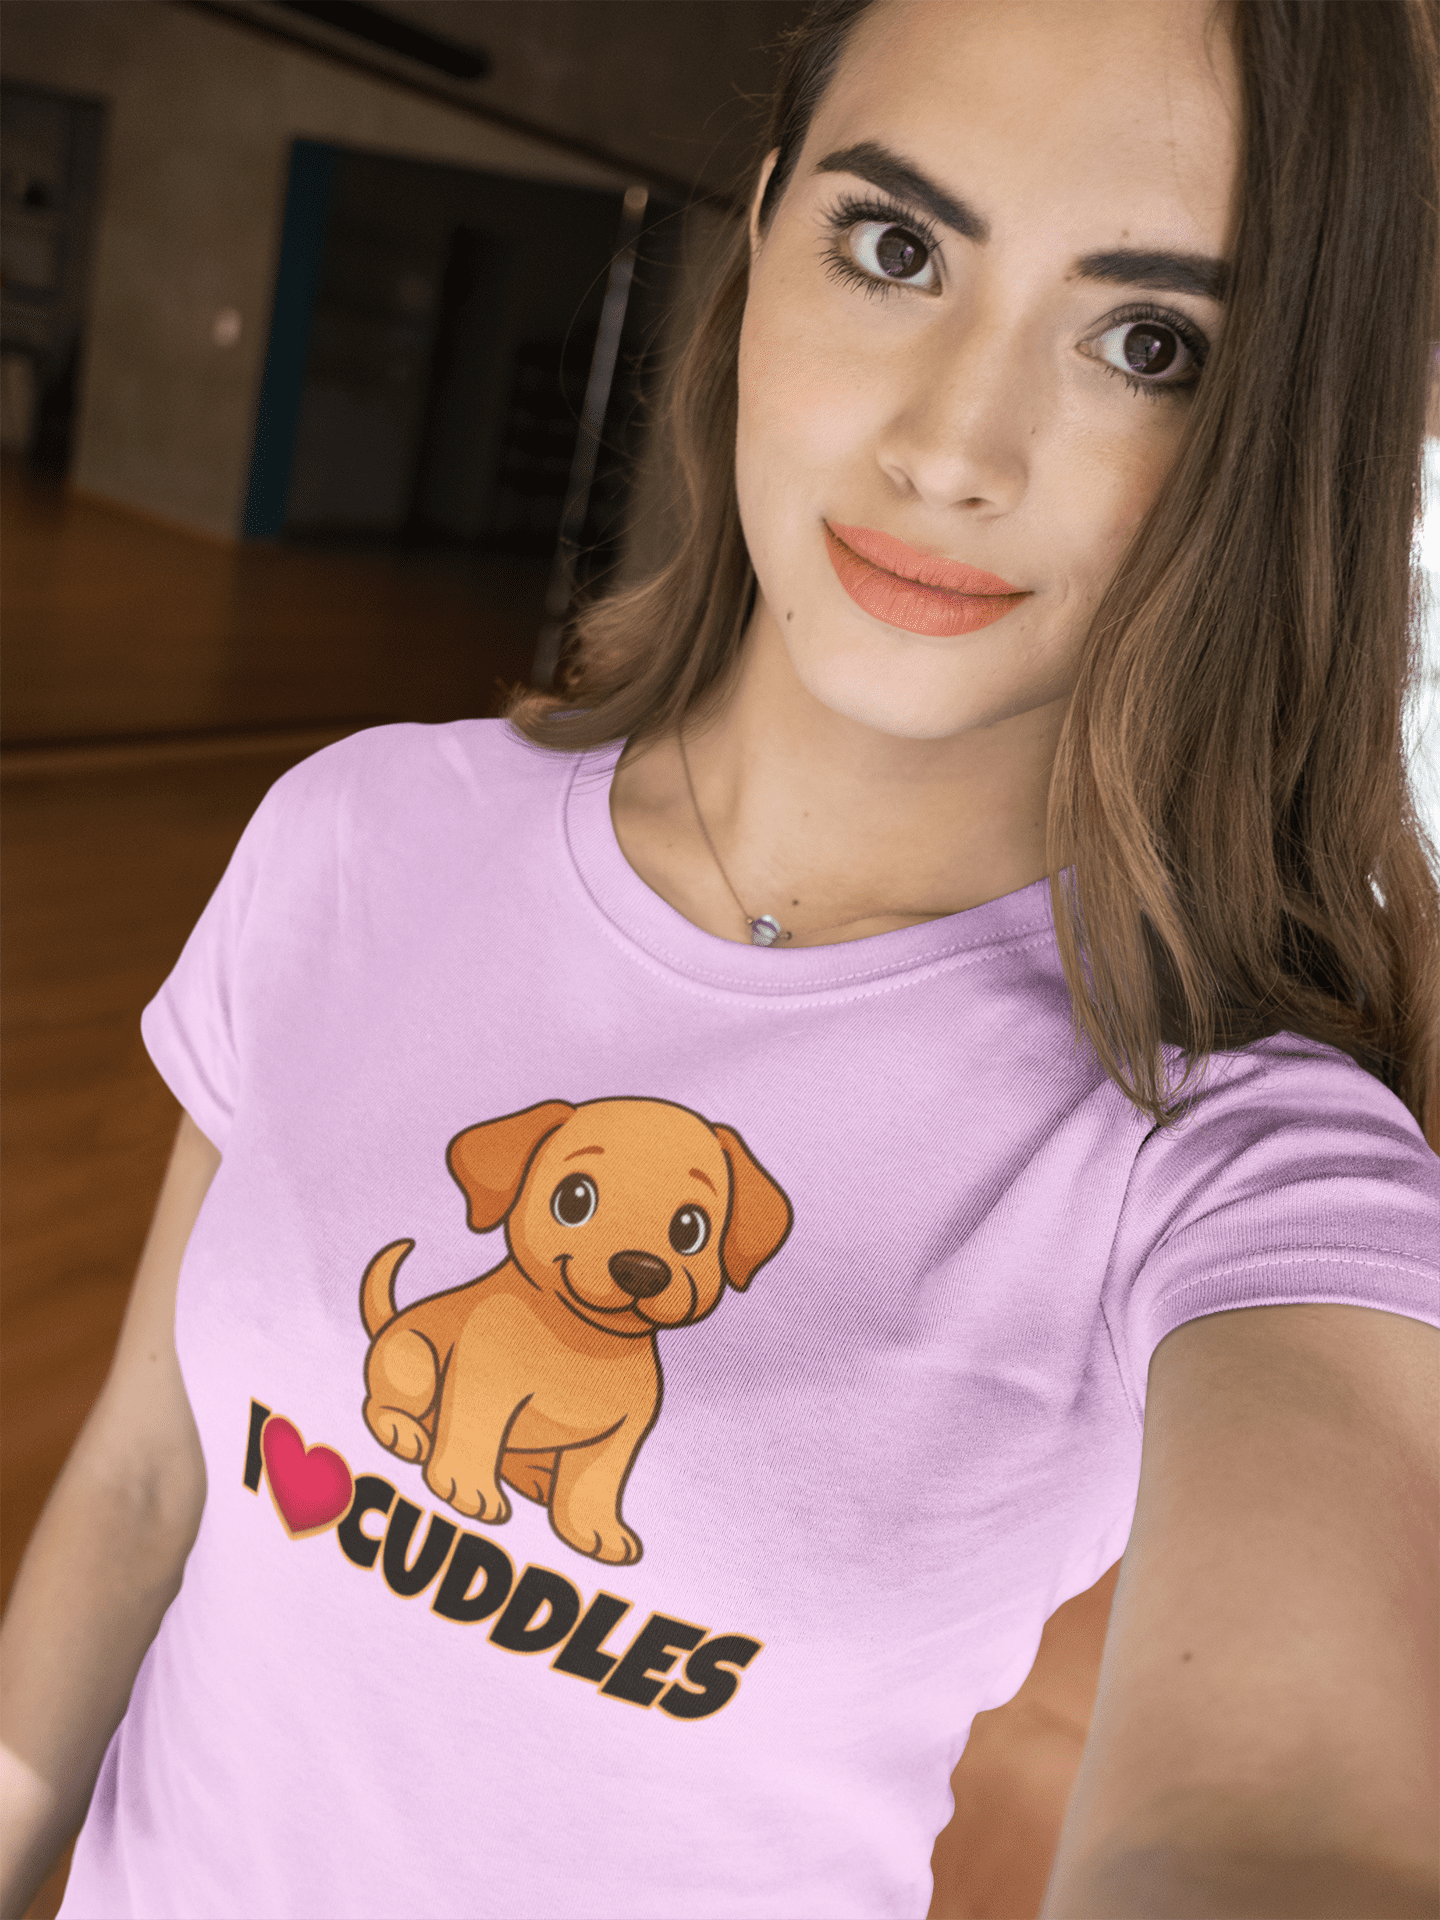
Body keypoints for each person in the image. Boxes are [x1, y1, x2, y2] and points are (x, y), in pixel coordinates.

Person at [3, 0, 1437, 1915]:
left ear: (1280, 435)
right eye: (896, 245)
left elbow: (1283, 1829)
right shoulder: (359, 832)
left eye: (1149, 343)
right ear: (761, 235)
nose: (950, 446)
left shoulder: (1234, 1158)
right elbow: (144, 1479)